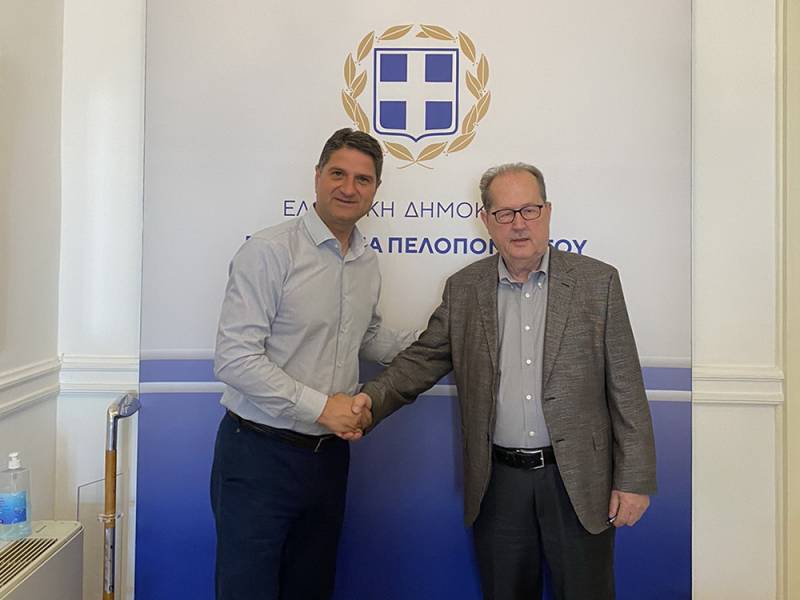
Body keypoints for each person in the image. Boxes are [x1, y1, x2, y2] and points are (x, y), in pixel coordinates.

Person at [354, 163, 657, 600]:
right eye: (505, 213)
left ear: (547, 212)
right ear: (486, 220)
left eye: (529, 210)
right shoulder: (464, 288)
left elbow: (626, 386)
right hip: (498, 484)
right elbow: (422, 360)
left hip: (578, 481)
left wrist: (634, 479)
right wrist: (368, 402)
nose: (519, 224)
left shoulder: (598, 282)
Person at [210, 128, 417, 600]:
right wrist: (322, 407)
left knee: (311, 589)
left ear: (376, 189)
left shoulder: (366, 262)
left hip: (328, 462)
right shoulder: (269, 251)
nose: (349, 188)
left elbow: (367, 336)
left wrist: (445, 342)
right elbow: (235, 358)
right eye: (338, 174)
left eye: (363, 179)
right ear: (317, 176)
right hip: (258, 456)